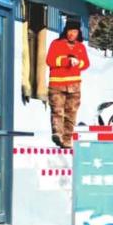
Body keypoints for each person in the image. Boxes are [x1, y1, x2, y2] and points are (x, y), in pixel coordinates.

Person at [46, 18, 90, 147]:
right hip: (56, 85)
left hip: (74, 86)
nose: (72, 34)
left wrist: (78, 63)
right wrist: (67, 61)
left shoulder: (81, 47)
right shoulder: (56, 44)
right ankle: (57, 135)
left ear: (78, 33)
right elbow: (49, 61)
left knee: (71, 114)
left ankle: (67, 140)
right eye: (70, 30)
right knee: (57, 111)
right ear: (65, 31)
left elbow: (86, 63)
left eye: (74, 31)